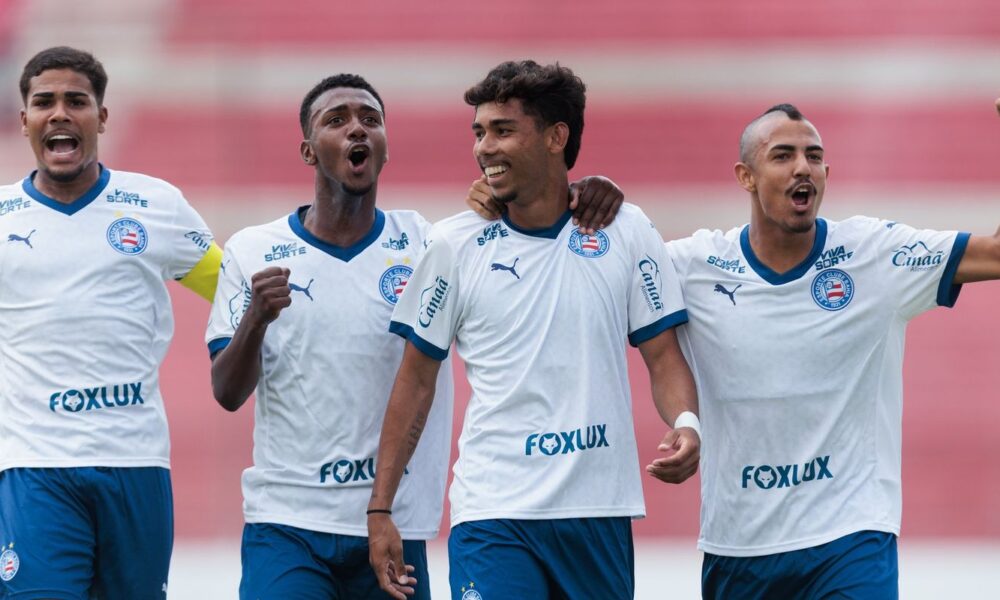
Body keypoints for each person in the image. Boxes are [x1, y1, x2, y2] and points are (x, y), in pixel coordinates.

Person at [470, 101, 1000, 598]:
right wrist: (549, 192)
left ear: (827, 177)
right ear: (745, 176)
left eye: (814, 157)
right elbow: (586, 261)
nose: (803, 168)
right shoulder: (693, 265)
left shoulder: (874, 255)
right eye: (783, 155)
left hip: (851, 535)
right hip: (738, 548)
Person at [204, 72, 625, 598]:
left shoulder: (430, 244)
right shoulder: (252, 250)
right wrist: (255, 320)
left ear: (384, 149)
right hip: (288, 522)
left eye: (370, 120)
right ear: (309, 151)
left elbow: (530, 206)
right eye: (336, 121)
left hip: (397, 525)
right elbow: (226, 392)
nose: (357, 129)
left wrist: (588, 189)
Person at [368, 60, 700, 600]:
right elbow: (414, 382)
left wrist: (688, 423)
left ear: (556, 137)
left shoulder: (625, 229)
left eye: (503, 130)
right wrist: (380, 508)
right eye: (479, 132)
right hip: (494, 512)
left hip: (597, 510)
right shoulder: (453, 244)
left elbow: (663, 357)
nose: (483, 147)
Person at [0, 47, 221, 599]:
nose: (59, 113)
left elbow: (233, 292)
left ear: (101, 117)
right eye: (43, 102)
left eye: (77, 101)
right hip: (34, 468)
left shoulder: (155, 206)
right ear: (23, 119)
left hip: (134, 463)